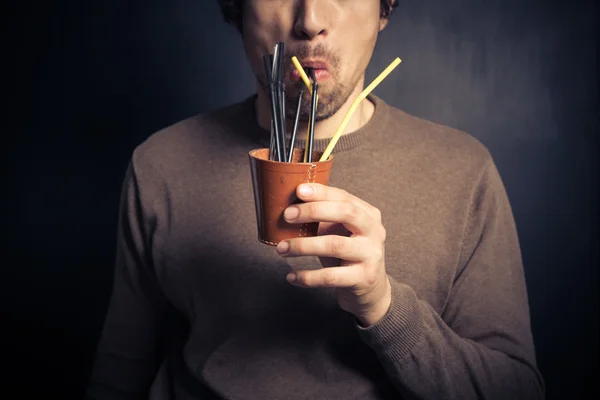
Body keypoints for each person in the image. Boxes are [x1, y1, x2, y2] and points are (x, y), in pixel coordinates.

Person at [86, 1, 545, 399]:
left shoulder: (463, 170)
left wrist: (383, 307)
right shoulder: (161, 163)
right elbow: (118, 377)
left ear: (383, 9)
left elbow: (516, 390)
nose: (310, 21)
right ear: (239, 9)